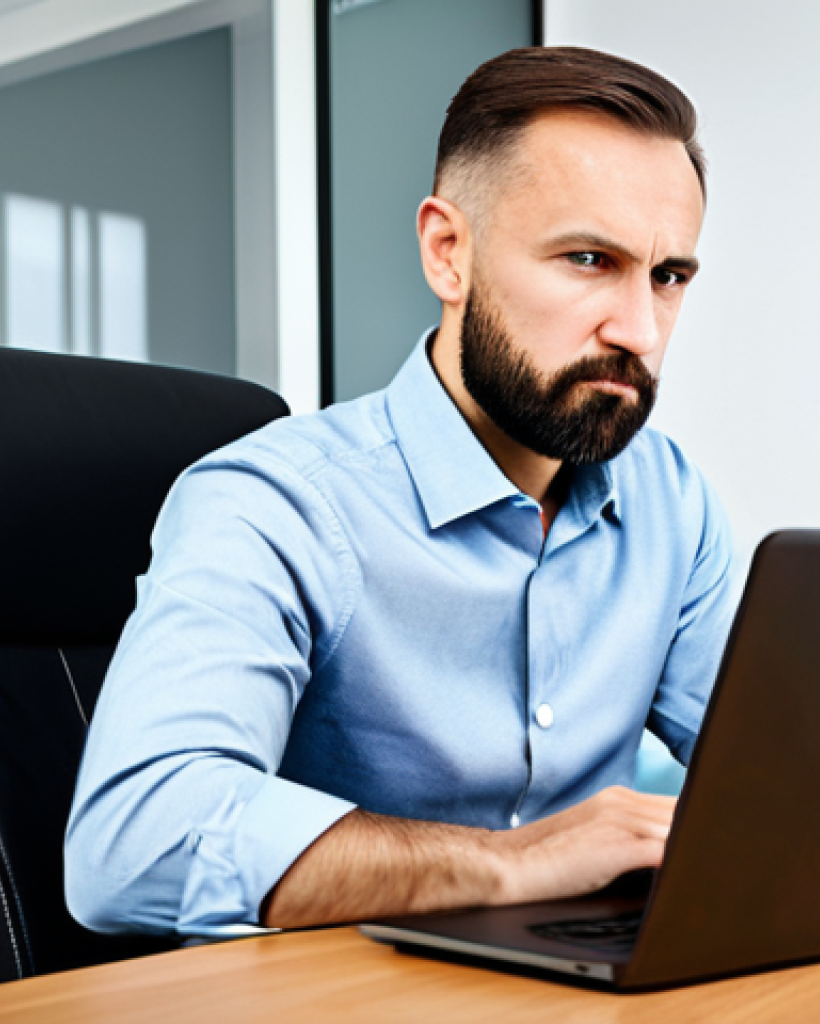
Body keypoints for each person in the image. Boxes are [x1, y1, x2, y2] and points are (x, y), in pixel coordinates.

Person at [65, 45, 734, 936]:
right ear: (447, 252)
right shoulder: (276, 503)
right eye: (586, 259)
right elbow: (129, 847)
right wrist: (515, 863)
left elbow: (788, 769)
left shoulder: (670, 502)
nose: (640, 330)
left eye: (668, 276)